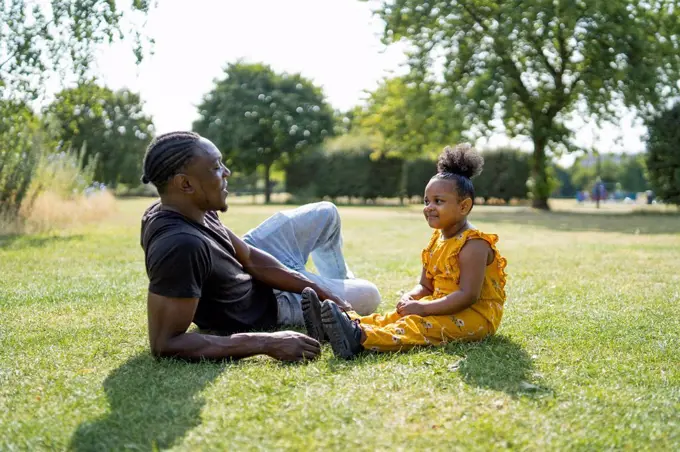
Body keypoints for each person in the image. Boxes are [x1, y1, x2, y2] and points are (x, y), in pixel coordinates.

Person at [139, 131, 381, 362]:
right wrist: (267, 342)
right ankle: (338, 309)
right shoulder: (180, 246)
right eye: (215, 168)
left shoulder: (194, 207)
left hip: (249, 273)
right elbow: (166, 343)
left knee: (326, 213)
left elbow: (250, 257)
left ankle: (335, 306)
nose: (227, 172)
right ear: (185, 184)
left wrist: (320, 290)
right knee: (370, 294)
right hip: (266, 303)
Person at [301, 144, 507, 359]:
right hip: (441, 305)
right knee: (396, 316)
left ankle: (359, 338)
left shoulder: (474, 244)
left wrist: (424, 309)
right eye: (426, 201)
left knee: (417, 325)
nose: (429, 207)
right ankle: (336, 325)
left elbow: (468, 296)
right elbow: (426, 285)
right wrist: (412, 297)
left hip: (474, 316)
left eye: (439, 201)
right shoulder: (437, 240)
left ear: (464, 206)